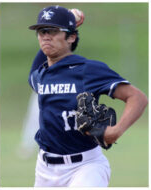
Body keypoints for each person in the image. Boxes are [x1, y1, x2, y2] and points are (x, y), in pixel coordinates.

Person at [27, 5, 147, 187]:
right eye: (41, 31)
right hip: (44, 170)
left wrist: (116, 131)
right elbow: (35, 66)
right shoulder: (40, 74)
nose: (45, 36)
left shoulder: (87, 69)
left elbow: (137, 98)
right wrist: (71, 21)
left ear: (71, 37)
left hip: (86, 167)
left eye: (53, 30)